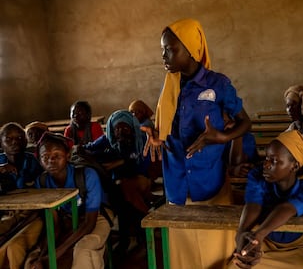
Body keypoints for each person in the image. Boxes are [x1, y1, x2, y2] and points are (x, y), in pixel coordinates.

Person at [142, 18, 251, 268]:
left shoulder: (218, 84)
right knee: (183, 256)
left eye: (170, 49)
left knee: (216, 254)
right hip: (178, 184)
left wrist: (222, 137)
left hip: (210, 182)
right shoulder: (170, 88)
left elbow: (245, 123)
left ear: (191, 48)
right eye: (162, 50)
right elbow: (165, 128)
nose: (164, 55)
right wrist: (154, 135)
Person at [230, 130, 303, 269]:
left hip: (299, 248)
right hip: (265, 242)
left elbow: (286, 208)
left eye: (274, 161)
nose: (266, 165)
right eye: (266, 158)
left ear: (294, 166)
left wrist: (258, 235)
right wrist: (241, 234)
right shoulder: (258, 174)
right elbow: (253, 204)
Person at [28, 132, 111, 268]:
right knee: (35, 258)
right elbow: (54, 224)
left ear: (68, 155)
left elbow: (90, 223)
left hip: (97, 216)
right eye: (45, 157)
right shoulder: (42, 182)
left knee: (82, 250)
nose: (51, 161)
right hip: (68, 218)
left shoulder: (87, 175)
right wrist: (44, 255)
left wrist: (57, 253)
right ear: (39, 160)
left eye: (57, 156)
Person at [81, 110, 158, 253]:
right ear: (112, 129)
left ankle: (133, 235)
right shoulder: (108, 139)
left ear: (132, 127)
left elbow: (142, 165)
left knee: (124, 190)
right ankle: (137, 235)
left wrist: (118, 162)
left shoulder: (141, 138)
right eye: (117, 129)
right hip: (119, 183)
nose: (120, 132)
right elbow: (86, 148)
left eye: (125, 128)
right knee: (121, 198)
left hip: (141, 180)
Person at [0, 122, 44, 269]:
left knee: (14, 246)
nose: (14, 142)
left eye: (19, 138)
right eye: (8, 139)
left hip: (31, 215)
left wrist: (11, 232)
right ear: (1, 143)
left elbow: (42, 202)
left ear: (26, 141)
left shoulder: (34, 162)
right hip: (6, 213)